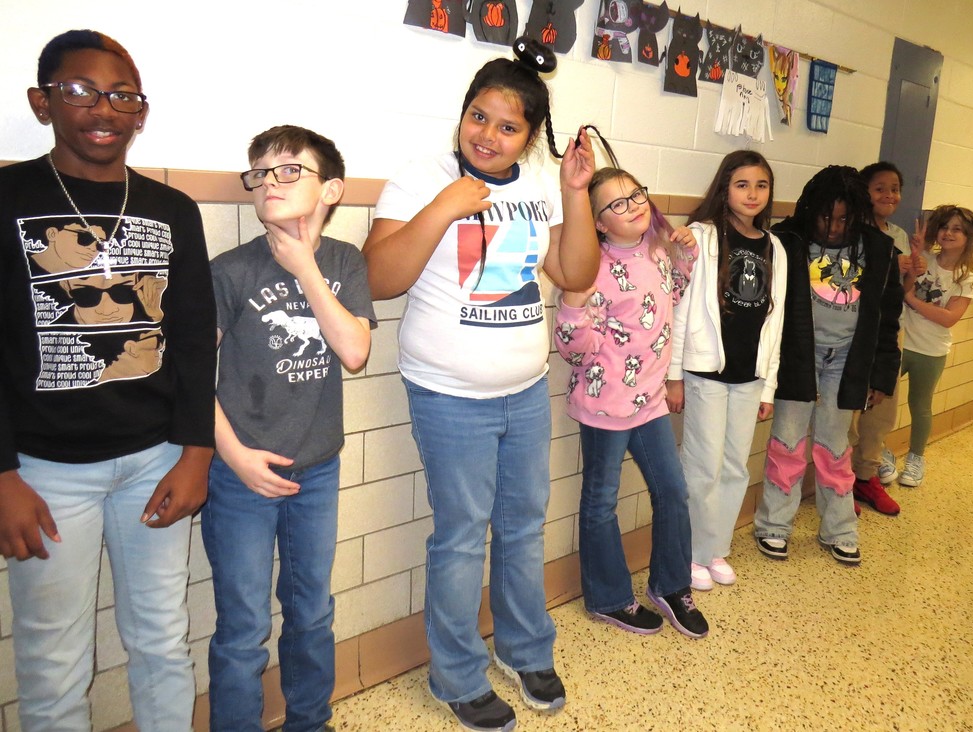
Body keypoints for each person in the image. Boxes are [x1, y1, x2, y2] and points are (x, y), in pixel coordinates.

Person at [363, 36, 598, 732]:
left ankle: (525, 649)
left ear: (528, 137)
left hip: (524, 391)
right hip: (447, 395)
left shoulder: (534, 187)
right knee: (463, 535)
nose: (487, 134)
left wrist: (574, 193)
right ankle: (455, 674)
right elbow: (379, 279)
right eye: (478, 115)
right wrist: (445, 206)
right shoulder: (419, 175)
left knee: (524, 527)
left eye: (507, 125)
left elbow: (575, 273)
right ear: (462, 114)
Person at [0, 29, 216, 731]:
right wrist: (1, 475)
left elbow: (190, 341)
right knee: (55, 658)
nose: (104, 108)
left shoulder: (172, 209)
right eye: (81, 91)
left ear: (140, 112)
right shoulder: (7, 196)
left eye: (123, 95)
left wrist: (196, 453)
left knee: (161, 637)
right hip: (43, 472)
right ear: (43, 102)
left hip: (154, 462)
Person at [202, 125, 375, 731]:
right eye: (260, 173)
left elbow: (354, 351)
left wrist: (304, 267)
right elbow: (191, 377)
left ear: (332, 190)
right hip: (240, 476)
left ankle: (310, 721)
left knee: (310, 612)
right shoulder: (230, 270)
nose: (269, 182)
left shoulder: (344, 262)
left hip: (317, 474)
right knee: (244, 627)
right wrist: (237, 457)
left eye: (288, 171)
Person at [554, 165, 708, 637]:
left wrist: (684, 257)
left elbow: (671, 297)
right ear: (598, 222)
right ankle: (608, 597)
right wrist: (573, 304)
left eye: (636, 194)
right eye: (617, 204)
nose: (634, 206)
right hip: (604, 405)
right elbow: (572, 349)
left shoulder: (657, 250)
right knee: (601, 502)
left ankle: (671, 585)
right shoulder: (588, 266)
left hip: (651, 402)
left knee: (673, 493)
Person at [752, 166, 902, 566]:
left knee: (835, 446)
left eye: (843, 220)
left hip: (846, 362)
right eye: (825, 218)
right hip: (798, 358)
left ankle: (838, 529)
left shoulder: (879, 249)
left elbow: (887, 321)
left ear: (856, 215)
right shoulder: (788, 241)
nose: (833, 228)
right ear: (810, 210)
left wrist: (882, 376)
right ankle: (773, 525)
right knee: (787, 441)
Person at [666, 150, 787, 590]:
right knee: (702, 466)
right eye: (742, 185)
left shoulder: (774, 247)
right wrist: (675, 375)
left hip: (750, 376)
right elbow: (681, 310)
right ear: (725, 188)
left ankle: (716, 549)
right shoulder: (702, 236)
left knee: (736, 465)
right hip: (706, 375)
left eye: (761, 185)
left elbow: (776, 321)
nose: (753, 194)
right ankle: (692, 553)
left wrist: (769, 386)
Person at [892, 205, 973, 487]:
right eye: (945, 227)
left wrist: (912, 301)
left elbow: (949, 318)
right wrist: (916, 254)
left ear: (969, 238)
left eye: (957, 229)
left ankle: (916, 458)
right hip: (902, 342)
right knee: (880, 401)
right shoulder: (925, 259)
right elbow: (904, 284)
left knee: (920, 405)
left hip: (931, 351)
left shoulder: (966, 278)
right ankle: (879, 452)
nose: (948, 233)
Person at [848, 162, 910, 515]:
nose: (889, 195)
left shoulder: (898, 235)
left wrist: (909, 272)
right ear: (864, 193)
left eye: (895, 188)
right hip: (857, 330)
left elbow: (901, 294)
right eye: (880, 188)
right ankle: (841, 478)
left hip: (889, 330)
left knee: (882, 408)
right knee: (850, 413)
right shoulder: (854, 234)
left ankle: (865, 475)